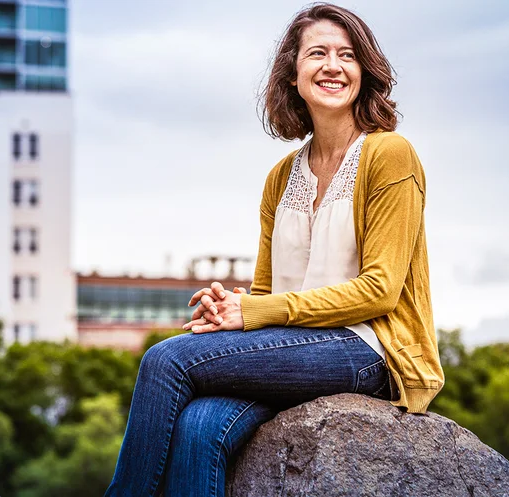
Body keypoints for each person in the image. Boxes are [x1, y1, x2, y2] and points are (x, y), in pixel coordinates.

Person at [105, 3, 444, 496]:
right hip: (298, 348)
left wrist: (256, 310)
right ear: (292, 74)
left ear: (364, 72)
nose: (333, 66)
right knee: (199, 427)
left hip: (367, 349)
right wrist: (233, 309)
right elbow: (266, 293)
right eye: (318, 53)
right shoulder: (282, 177)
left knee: (167, 360)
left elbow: (380, 292)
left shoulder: (390, 154)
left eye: (347, 55)